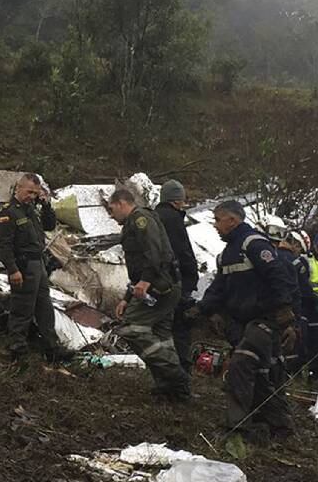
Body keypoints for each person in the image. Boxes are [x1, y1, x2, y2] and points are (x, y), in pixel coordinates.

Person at [198, 200, 298, 439]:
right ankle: (278, 425)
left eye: (218, 219)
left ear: (232, 220)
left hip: (265, 318)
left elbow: (278, 275)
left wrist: (285, 311)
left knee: (240, 365)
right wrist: (201, 310)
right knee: (262, 374)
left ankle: (236, 428)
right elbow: (218, 288)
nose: (215, 225)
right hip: (241, 324)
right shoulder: (225, 256)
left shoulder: (253, 243)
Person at [107, 188, 192, 400]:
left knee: (131, 328)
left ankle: (176, 375)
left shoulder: (141, 220)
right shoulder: (134, 222)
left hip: (160, 286)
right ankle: (172, 389)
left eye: (111, 209)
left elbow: (154, 253)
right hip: (160, 285)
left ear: (121, 203)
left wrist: (145, 281)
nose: (110, 215)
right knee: (162, 335)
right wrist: (127, 298)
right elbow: (138, 267)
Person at [0, 173, 61, 363]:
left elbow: (49, 225)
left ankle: (51, 347)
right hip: (23, 265)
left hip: (38, 263)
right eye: (29, 192)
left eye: (35, 193)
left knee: (44, 307)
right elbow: (4, 246)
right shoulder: (9, 213)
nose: (31, 196)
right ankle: (17, 348)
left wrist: (46, 204)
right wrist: (12, 269)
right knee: (22, 308)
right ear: (18, 188)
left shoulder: (31, 210)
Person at [155, 179, 199, 373]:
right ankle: (181, 372)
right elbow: (183, 252)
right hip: (176, 282)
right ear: (176, 200)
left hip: (156, 282)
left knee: (161, 328)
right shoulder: (173, 219)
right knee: (180, 328)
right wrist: (191, 278)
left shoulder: (154, 217)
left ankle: (164, 370)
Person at [297, 230, 318, 382]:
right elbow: (304, 285)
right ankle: (297, 374)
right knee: (302, 342)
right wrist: (316, 300)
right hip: (306, 307)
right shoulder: (306, 260)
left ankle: (315, 377)